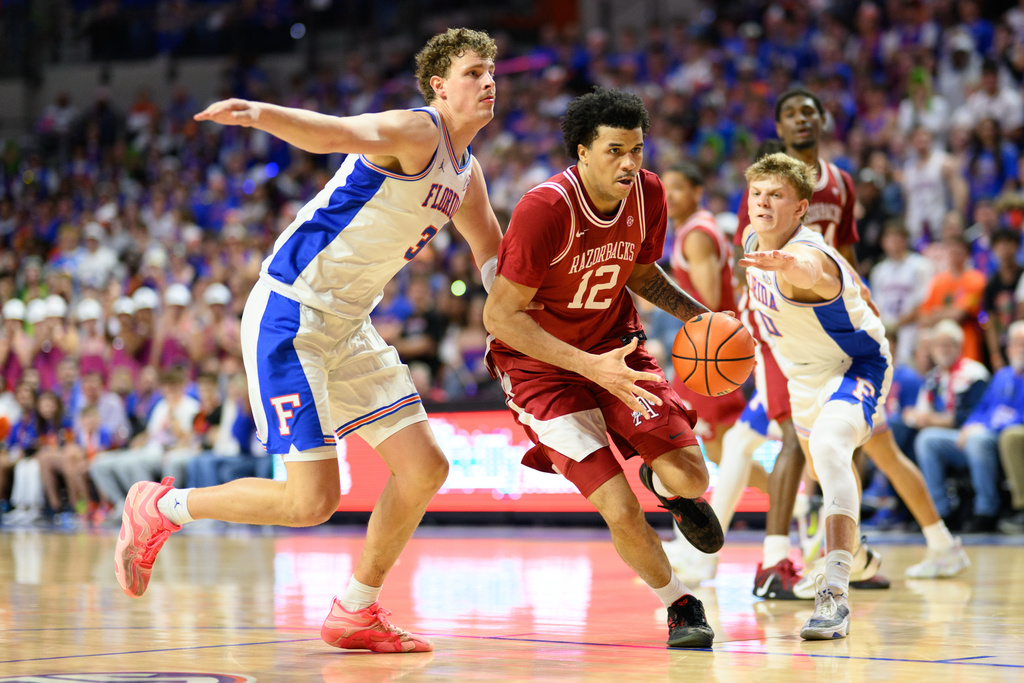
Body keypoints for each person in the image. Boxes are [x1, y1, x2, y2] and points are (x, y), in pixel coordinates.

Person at [114, 28, 504, 655]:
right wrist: (260, 114)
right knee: (312, 501)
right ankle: (165, 507)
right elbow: (333, 133)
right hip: (292, 314)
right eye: (473, 72)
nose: (489, 82)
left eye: (492, 71)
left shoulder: (468, 174)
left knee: (426, 468)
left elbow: (490, 256)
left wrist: (520, 314)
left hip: (350, 325)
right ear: (439, 85)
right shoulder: (417, 131)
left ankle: (356, 610)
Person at [483, 87, 718, 649]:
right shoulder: (544, 209)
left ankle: (667, 485)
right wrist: (590, 367)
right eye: (615, 150)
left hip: (616, 346)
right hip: (540, 369)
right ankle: (679, 603)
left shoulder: (649, 193)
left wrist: (702, 318)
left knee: (694, 476)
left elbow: (641, 273)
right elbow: (499, 316)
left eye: (637, 149)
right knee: (616, 505)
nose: (630, 163)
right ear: (582, 152)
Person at [738, 152, 968, 640]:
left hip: (854, 365)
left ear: (801, 209)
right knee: (827, 475)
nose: (763, 203)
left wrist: (791, 267)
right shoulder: (753, 239)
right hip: (799, 376)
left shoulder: (807, 254)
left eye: (776, 195)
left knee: (828, 450)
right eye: (757, 194)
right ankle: (858, 557)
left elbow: (812, 273)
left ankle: (834, 597)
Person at [732, 88, 860, 600]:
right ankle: (772, 562)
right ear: (780, 128)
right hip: (782, 328)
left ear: (823, 120)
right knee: (790, 439)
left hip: (829, 321)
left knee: (841, 443)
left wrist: (859, 304)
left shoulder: (842, 183)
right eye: (790, 113)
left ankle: (839, 550)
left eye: (809, 110)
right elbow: (752, 257)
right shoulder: (766, 189)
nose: (801, 119)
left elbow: (845, 253)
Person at [660, 160, 760, 582]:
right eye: (665, 189)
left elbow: (708, 305)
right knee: (724, 453)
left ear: (698, 191)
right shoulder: (694, 230)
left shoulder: (698, 235)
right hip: (708, 355)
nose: (669, 197)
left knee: (696, 451)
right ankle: (797, 504)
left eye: (678, 188)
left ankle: (700, 549)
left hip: (709, 356)